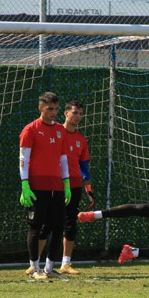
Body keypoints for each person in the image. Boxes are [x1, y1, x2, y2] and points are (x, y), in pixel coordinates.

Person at [19, 92, 71, 280]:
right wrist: (25, 184)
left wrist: (66, 182)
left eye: (56, 109)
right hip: (37, 186)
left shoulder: (60, 130)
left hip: (56, 186)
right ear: (41, 108)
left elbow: (63, 158)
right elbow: (23, 158)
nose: (53, 113)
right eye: (50, 109)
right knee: (36, 227)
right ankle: (34, 268)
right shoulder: (30, 130)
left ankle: (49, 269)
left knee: (58, 227)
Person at [58, 100, 95, 274]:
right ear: (65, 113)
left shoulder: (81, 139)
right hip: (54, 184)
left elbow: (84, 167)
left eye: (80, 113)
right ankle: (37, 263)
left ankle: (65, 263)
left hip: (73, 186)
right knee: (49, 222)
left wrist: (89, 191)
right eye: (75, 112)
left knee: (70, 223)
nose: (78, 116)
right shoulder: (56, 133)